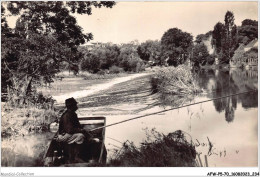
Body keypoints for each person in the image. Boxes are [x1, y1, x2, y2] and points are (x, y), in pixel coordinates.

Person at [56, 97, 91, 163]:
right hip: (64, 136)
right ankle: (76, 157)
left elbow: (76, 126)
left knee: (82, 134)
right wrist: (82, 130)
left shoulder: (72, 114)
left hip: (68, 134)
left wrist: (82, 129)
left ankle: (81, 155)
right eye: (75, 105)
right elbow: (70, 130)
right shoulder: (67, 115)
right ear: (71, 106)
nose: (76, 106)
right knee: (80, 136)